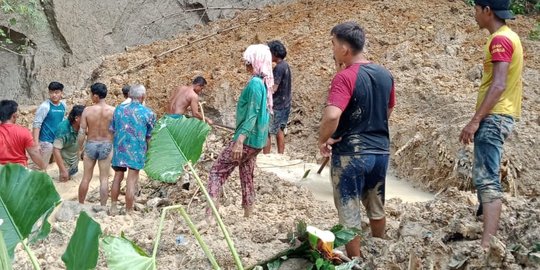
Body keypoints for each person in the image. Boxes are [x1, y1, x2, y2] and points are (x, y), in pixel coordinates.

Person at [318, 22, 395, 258]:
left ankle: (355, 260)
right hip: (380, 152)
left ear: (344, 49)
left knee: (349, 211)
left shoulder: (344, 77)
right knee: (376, 205)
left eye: (332, 44)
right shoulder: (385, 75)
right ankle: (381, 251)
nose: (331, 49)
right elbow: (388, 109)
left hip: (351, 154)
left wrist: (324, 138)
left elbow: (332, 115)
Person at [459, 0, 522, 249]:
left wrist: (475, 121)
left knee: (487, 179)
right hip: (500, 115)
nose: (474, 14)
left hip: (495, 116)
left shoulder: (500, 40)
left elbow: (498, 84)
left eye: (476, 9)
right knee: (486, 174)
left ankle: (487, 244)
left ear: (487, 11)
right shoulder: (509, 37)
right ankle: (483, 226)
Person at [207, 44, 273, 218]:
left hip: (247, 140)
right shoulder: (264, 84)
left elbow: (252, 114)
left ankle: (209, 217)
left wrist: (239, 140)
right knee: (246, 174)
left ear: (255, 62)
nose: (246, 65)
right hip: (257, 142)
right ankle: (248, 213)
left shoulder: (254, 84)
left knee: (216, 172)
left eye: (248, 62)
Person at [110, 84, 156, 214]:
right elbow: (149, 137)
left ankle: (113, 207)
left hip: (119, 148)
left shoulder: (118, 109)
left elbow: (112, 130)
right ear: (143, 96)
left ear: (129, 96)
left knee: (117, 176)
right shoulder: (148, 113)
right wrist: (149, 152)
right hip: (137, 150)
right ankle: (128, 210)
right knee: (131, 179)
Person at [77, 83, 115, 206]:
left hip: (91, 144)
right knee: (104, 179)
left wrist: (79, 149)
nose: (91, 97)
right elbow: (117, 131)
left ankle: (80, 204)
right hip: (106, 145)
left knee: (86, 178)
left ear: (96, 96)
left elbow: (82, 132)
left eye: (91, 94)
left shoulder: (87, 111)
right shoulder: (113, 111)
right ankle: (103, 207)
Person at [263, 40, 292, 155]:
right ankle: (281, 155)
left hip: (277, 105)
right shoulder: (285, 65)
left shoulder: (279, 68)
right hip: (285, 103)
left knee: (267, 131)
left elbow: (273, 88)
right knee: (280, 129)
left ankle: (266, 156)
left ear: (274, 53)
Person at [0, 100, 46, 170]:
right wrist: (43, 167)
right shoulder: (24, 132)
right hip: (20, 172)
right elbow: (34, 153)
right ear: (14, 115)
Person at [32, 81, 67, 168]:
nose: (54, 95)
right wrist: (36, 144)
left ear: (61, 93)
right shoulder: (45, 106)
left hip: (56, 139)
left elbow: (62, 120)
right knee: (41, 166)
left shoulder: (63, 105)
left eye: (56, 92)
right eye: (51, 92)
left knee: (53, 164)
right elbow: (36, 124)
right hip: (45, 141)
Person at [53, 105, 85, 182]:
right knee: (64, 178)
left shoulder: (82, 125)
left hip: (74, 155)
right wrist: (63, 170)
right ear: (77, 118)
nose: (87, 118)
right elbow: (56, 150)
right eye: (85, 117)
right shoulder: (63, 129)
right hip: (65, 159)